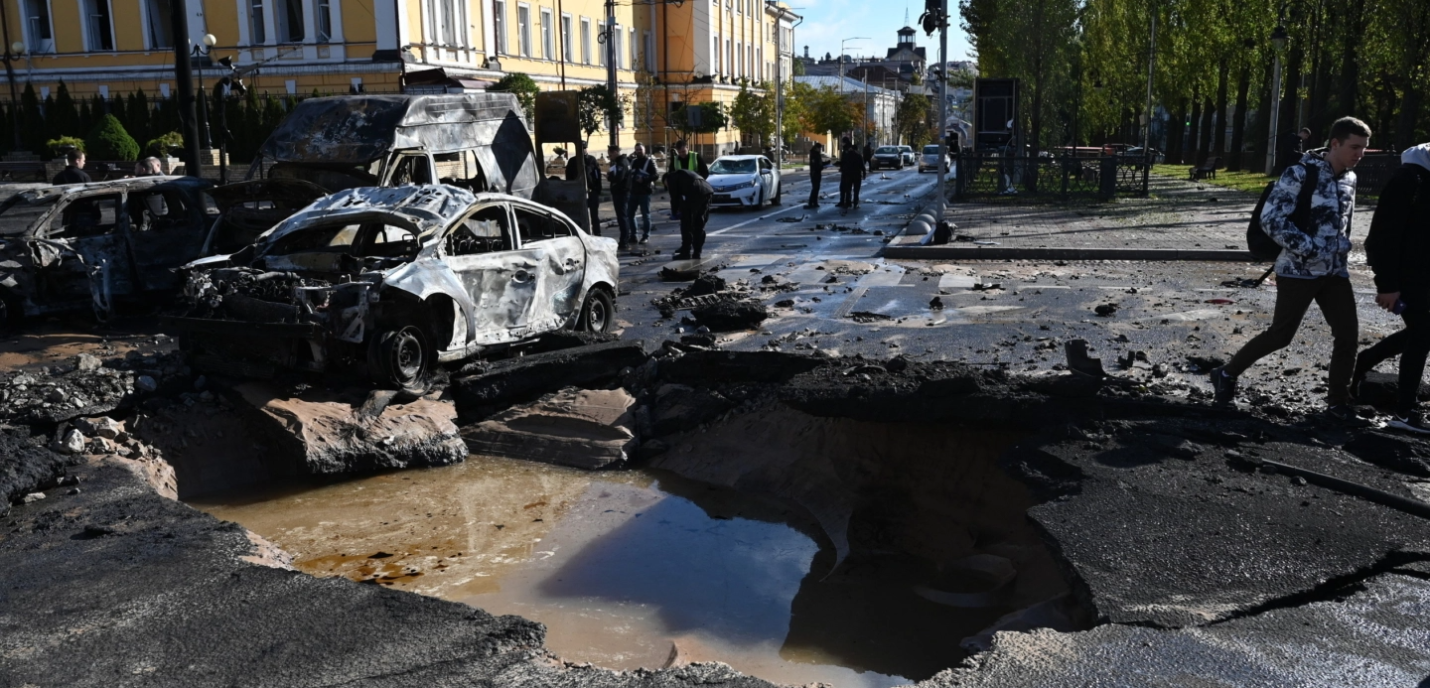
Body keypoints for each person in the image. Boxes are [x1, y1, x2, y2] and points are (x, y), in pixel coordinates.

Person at [1210, 116, 1372, 422]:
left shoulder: (1350, 179)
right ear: (1334, 143)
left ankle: (1338, 403)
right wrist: (1309, 248)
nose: (1359, 154)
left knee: (1348, 335)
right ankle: (1226, 373)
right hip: (1298, 271)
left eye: (1364, 148)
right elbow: (1271, 220)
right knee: (1281, 335)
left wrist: (1339, 255)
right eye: (1354, 147)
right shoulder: (1301, 173)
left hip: (1335, 273)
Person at [1354, 143, 1430, 433]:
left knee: (1421, 332)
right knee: (1422, 334)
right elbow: (1382, 236)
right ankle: (1404, 412)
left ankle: (1364, 362)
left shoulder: (1421, 178)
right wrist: (1387, 284)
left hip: (1420, 274)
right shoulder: (1407, 180)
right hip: (1406, 275)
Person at [665, 168, 714, 261]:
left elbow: (674, 197)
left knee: (686, 223)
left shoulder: (671, 178)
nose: (666, 187)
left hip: (696, 191)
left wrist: (674, 212)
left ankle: (686, 252)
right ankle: (697, 252)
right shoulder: (684, 174)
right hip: (707, 190)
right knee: (699, 223)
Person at [665, 139, 708, 218]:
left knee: (695, 208)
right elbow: (670, 173)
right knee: (681, 205)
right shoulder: (675, 159)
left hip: (695, 187)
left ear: (687, 147)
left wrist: (700, 182)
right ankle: (677, 213)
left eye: (683, 151)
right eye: (680, 152)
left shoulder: (695, 156)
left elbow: (705, 172)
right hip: (681, 188)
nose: (682, 154)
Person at [565, 142, 602, 235]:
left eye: (584, 148)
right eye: (581, 148)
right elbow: (568, 176)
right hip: (578, 192)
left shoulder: (591, 160)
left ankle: (597, 234)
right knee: (578, 215)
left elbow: (597, 175)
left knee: (594, 216)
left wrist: (597, 190)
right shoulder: (573, 161)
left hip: (591, 191)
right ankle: (581, 234)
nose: (583, 150)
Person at [628, 143, 658, 244]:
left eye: (640, 149)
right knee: (630, 214)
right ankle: (634, 235)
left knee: (646, 215)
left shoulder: (649, 162)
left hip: (645, 192)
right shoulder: (634, 161)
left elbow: (656, 175)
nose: (638, 151)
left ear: (644, 150)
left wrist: (644, 179)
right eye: (637, 149)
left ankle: (646, 236)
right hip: (633, 192)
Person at [606, 145, 633, 250]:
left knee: (622, 217)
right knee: (622, 217)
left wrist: (609, 177)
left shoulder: (622, 163)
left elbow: (619, 178)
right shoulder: (621, 162)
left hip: (621, 193)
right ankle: (625, 239)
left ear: (616, 152)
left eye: (611, 154)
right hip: (620, 193)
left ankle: (624, 241)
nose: (610, 156)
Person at [836, 137, 865, 209]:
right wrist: (864, 173)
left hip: (848, 174)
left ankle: (848, 202)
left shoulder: (846, 154)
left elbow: (844, 163)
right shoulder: (858, 155)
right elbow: (862, 165)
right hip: (856, 175)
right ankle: (855, 203)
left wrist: (841, 166)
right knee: (856, 190)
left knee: (848, 189)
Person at [806, 142, 830, 209]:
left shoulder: (817, 154)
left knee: (816, 188)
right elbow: (815, 165)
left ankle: (815, 202)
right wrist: (822, 167)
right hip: (814, 173)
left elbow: (820, 163)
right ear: (816, 148)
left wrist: (827, 163)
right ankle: (811, 202)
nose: (820, 150)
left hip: (818, 172)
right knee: (815, 188)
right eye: (819, 148)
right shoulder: (813, 154)